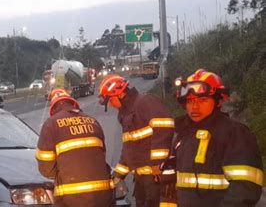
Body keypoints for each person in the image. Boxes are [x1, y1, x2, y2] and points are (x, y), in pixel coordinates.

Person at [172, 69, 263, 206]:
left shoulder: (234, 133)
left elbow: (244, 190)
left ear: (218, 101)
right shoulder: (183, 135)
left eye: (202, 100)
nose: (194, 107)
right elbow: (172, 187)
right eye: (190, 101)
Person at [98, 74, 176, 207]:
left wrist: (158, 164)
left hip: (156, 178)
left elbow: (164, 128)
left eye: (110, 101)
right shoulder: (125, 113)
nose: (110, 105)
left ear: (119, 94)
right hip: (141, 179)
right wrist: (118, 175)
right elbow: (128, 149)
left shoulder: (146, 102)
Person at [36, 88, 114, 207]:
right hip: (103, 195)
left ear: (53, 108)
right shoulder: (93, 121)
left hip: (71, 198)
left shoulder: (51, 124)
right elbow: (101, 155)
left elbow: (46, 168)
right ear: (73, 103)